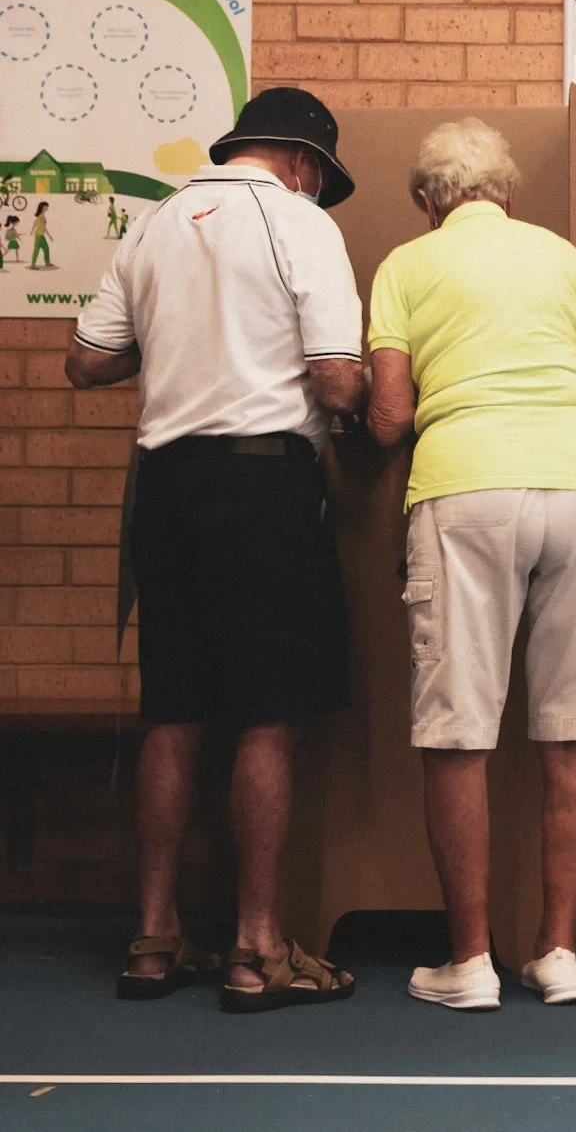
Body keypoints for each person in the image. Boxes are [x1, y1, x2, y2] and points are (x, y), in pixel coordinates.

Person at [67, 85, 365, 1012]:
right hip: (260, 484)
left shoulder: (153, 222)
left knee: (174, 711)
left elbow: (86, 361)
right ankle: (256, 948)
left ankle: (154, 939)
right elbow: (336, 380)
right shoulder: (301, 222)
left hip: (164, 487)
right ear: (304, 164)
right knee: (267, 715)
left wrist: (177, 341)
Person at [367, 118, 576, 1011]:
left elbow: (389, 415)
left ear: (425, 201)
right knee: (573, 728)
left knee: (458, 731)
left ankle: (471, 962)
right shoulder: (562, 257)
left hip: (468, 489)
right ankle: (558, 951)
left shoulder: (406, 265)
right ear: (509, 194)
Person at [29, 199, 51, 268]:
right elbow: (43, 227)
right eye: (45, 207)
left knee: (46, 248)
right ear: (42, 207)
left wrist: (32, 231)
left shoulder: (41, 215)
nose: (47, 208)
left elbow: (35, 223)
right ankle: (33, 264)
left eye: (47, 207)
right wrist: (49, 236)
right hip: (39, 235)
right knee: (36, 250)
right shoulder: (41, 216)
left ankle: (47, 262)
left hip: (41, 235)